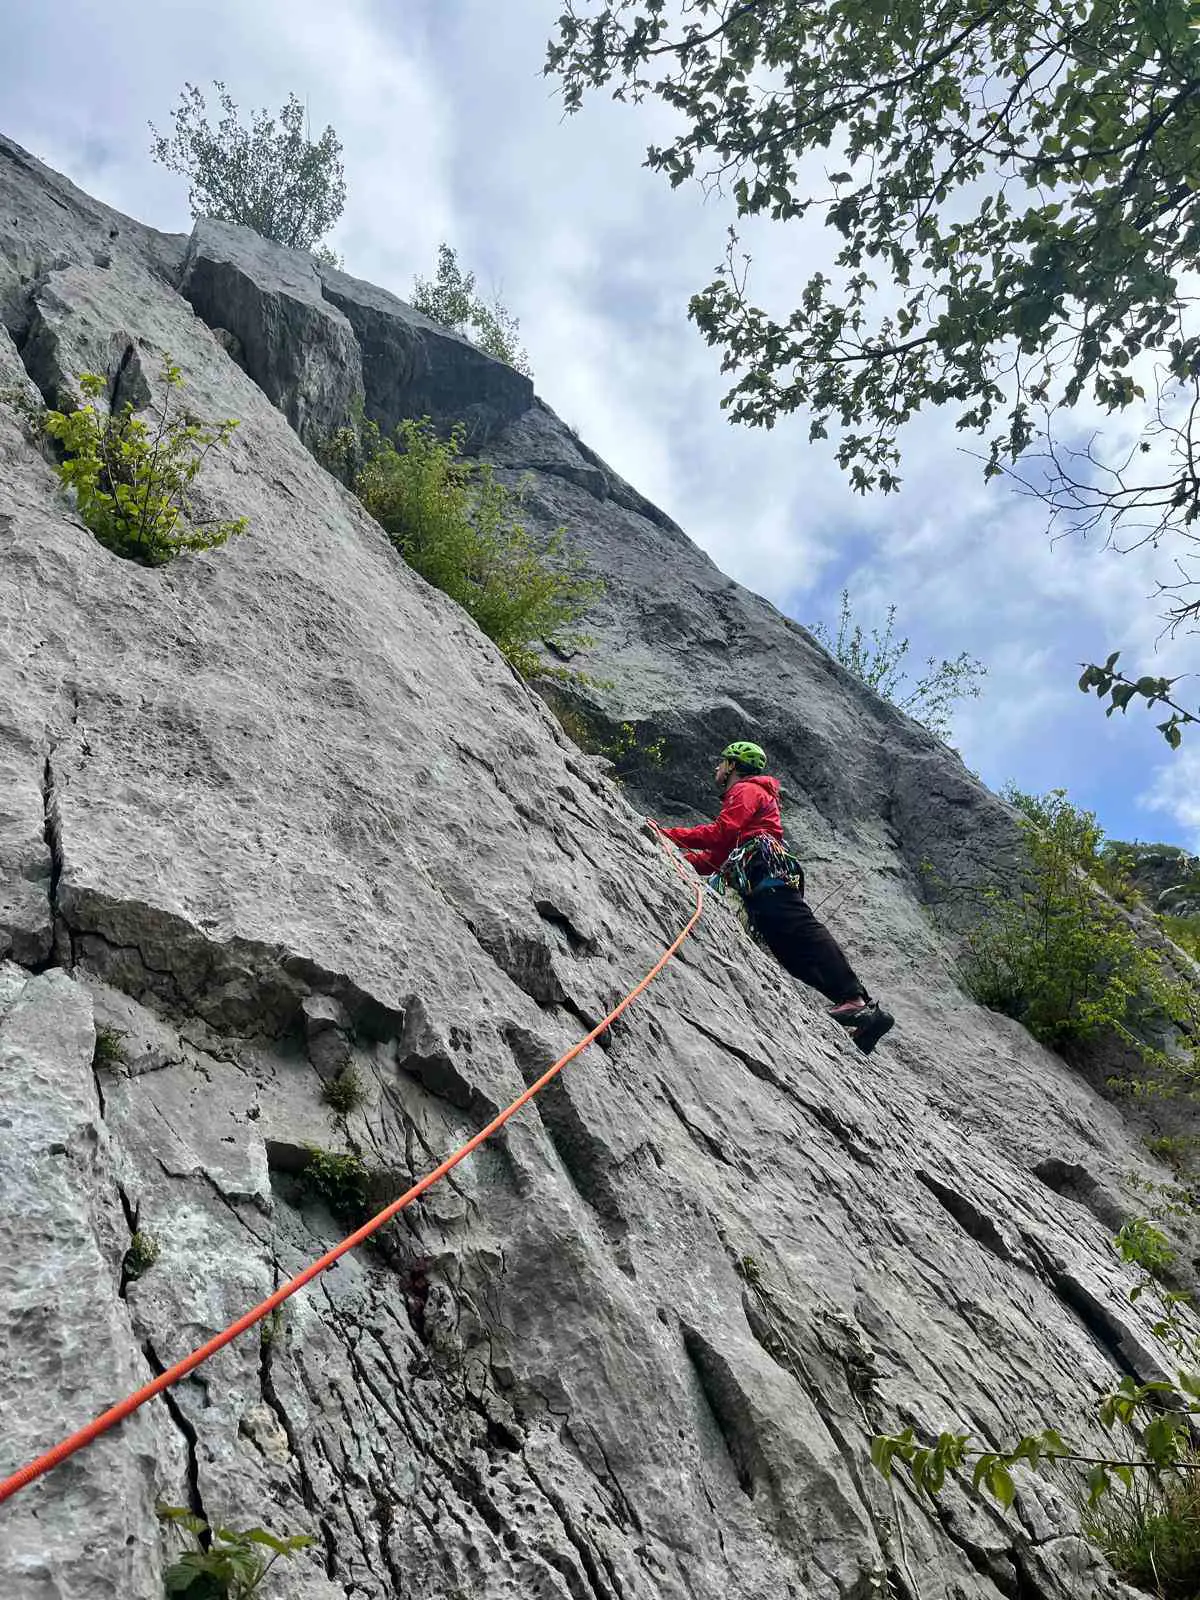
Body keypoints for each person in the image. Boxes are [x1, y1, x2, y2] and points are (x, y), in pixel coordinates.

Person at [653, 741, 894, 1054]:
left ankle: (854, 997)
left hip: (766, 870)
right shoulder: (751, 798)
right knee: (790, 953)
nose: (717, 768)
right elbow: (717, 857)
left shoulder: (746, 789)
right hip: (760, 879)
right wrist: (672, 854)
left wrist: (666, 834)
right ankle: (858, 1013)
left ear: (732, 765)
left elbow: (723, 832)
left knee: (803, 931)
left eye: (721, 763)